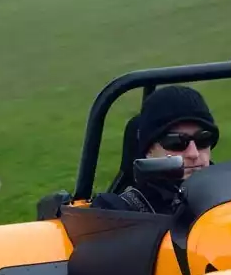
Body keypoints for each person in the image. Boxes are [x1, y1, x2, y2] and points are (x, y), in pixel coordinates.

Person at [92, 84, 218, 213]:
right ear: (149, 150)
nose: (193, 153)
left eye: (203, 139)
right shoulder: (118, 211)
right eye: (176, 142)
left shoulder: (228, 190)